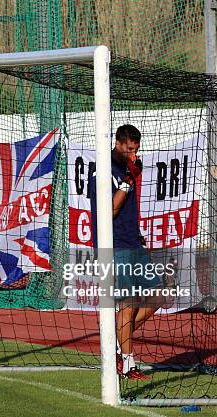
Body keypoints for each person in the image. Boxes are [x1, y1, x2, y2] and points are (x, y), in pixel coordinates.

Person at [91, 124, 162, 380]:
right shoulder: (103, 168)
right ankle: (129, 364)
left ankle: (115, 342)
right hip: (114, 245)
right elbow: (110, 211)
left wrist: (139, 236)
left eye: (137, 150)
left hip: (133, 242)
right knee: (128, 303)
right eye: (130, 149)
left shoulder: (126, 168)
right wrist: (129, 180)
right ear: (119, 144)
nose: (134, 154)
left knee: (158, 295)